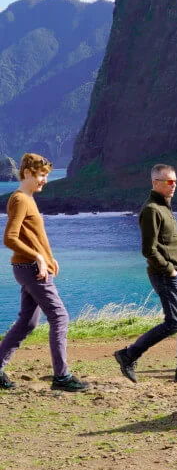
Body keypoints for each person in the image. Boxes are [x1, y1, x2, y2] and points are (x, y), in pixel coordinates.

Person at [0, 154, 89, 392]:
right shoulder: (20, 199)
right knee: (60, 317)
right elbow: (9, 238)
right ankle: (61, 377)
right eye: (42, 175)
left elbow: (32, 236)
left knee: (28, 322)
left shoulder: (27, 198)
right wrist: (39, 257)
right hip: (31, 269)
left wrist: (49, 258)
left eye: (47, 176)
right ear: (28, 172)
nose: (45, 181)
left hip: (30, 268)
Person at [113, 164, 177, 383]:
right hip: (168, 276)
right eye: (168, 181)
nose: (173, 185)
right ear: (155, 183)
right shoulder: (151, 210)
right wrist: (170, 270)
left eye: (175, 181)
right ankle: (128, 355)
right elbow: (148, 249)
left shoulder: (165, 206)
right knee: (175, 322)